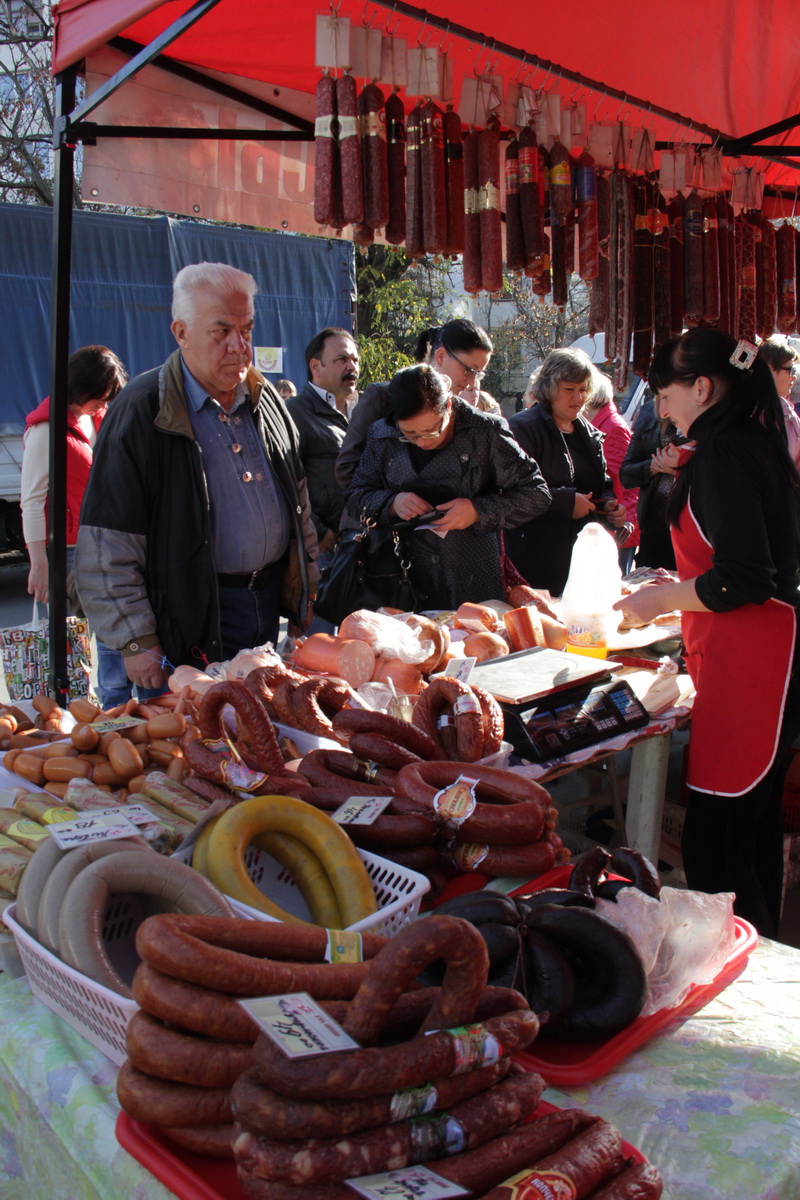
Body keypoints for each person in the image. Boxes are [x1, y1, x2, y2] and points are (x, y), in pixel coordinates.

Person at [612, 328, 800, 938]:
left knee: (718, 848)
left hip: (757, 663)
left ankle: (742, 976)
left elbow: (742, 577)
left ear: (701, 386)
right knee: (751, 836)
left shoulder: (725, 452)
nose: (661, 409)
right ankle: (765, 959)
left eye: (664, 394)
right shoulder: (745, 439)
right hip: (752, 658)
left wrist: (657, 600)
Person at [75, 262, 319, 694]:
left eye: (247, 329)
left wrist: (306, 587)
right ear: (181, 332)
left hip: (262, 607)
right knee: (193, 747)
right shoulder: (141, 411)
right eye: (221, 331)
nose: (238, 346)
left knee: (260, 736)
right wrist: (136, 641)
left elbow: (300, 507)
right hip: (183, 618)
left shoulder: (270, 403)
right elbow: (107, 544)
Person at [344, 364, 550, 610]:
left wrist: (477, 510)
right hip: (402, 577)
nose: (421, 441)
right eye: (409, 434)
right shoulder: (382, 433)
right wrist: (391, 503)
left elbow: (537, 493)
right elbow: (356, 494)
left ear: (449, 407)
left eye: (431, 431)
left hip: (473, 577)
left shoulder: (486, 432)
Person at [20, 345, 140, 708]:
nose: (104, 406)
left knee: (109, 628)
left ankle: (113, 706)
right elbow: (32, 502)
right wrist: (39, 562)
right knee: (106, 630)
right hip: (72, 548)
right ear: (82, 390)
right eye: (100, 399)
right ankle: (112, 708)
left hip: (103, 539)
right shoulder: (46, 430)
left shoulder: (93, 418)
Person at [504, 348, 627, 596]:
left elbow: (601, 485)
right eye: (569, 389)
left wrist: (610, 507)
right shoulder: (522, 427)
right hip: (535, 560)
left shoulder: (589, 433)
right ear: (549, 388)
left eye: (583, 389)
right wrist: (565, 503)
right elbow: (511, 493)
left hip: (581, 562)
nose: (578, 397)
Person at [335, 318, 494, 495]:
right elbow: (347, 469)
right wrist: (390, 504)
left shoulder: (469, 414)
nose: (472, 381)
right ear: (441, 356)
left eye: (479, 374)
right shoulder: (382, 396)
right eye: (468, 370)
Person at [288, 328, 359, 632]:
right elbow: (286, 484)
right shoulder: (294, 413)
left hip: (361, 550)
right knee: (320, 655)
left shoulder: (362, 411)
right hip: (325, 555)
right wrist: (319, 532)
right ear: (316, 367)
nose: (352, 366)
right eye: (342, 359)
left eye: (355, 359)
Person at [619, 395, 686, 570]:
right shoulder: (650, 411)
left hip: (690, 523)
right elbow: (626, 474)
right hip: (655, 523)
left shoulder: (701, 410)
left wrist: (683, 468)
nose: (664, 410)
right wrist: (654, 466)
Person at [583, 372, 639, 572]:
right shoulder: (601, 423)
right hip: (612, 520)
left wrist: (619, 518)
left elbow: (619, 481)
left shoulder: (612, 427)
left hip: (618, 524)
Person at [756, 337, 800, 467]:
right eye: (790, 370)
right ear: (770, 371)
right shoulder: (744, 413)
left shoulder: (790, 416)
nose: (794, 376)